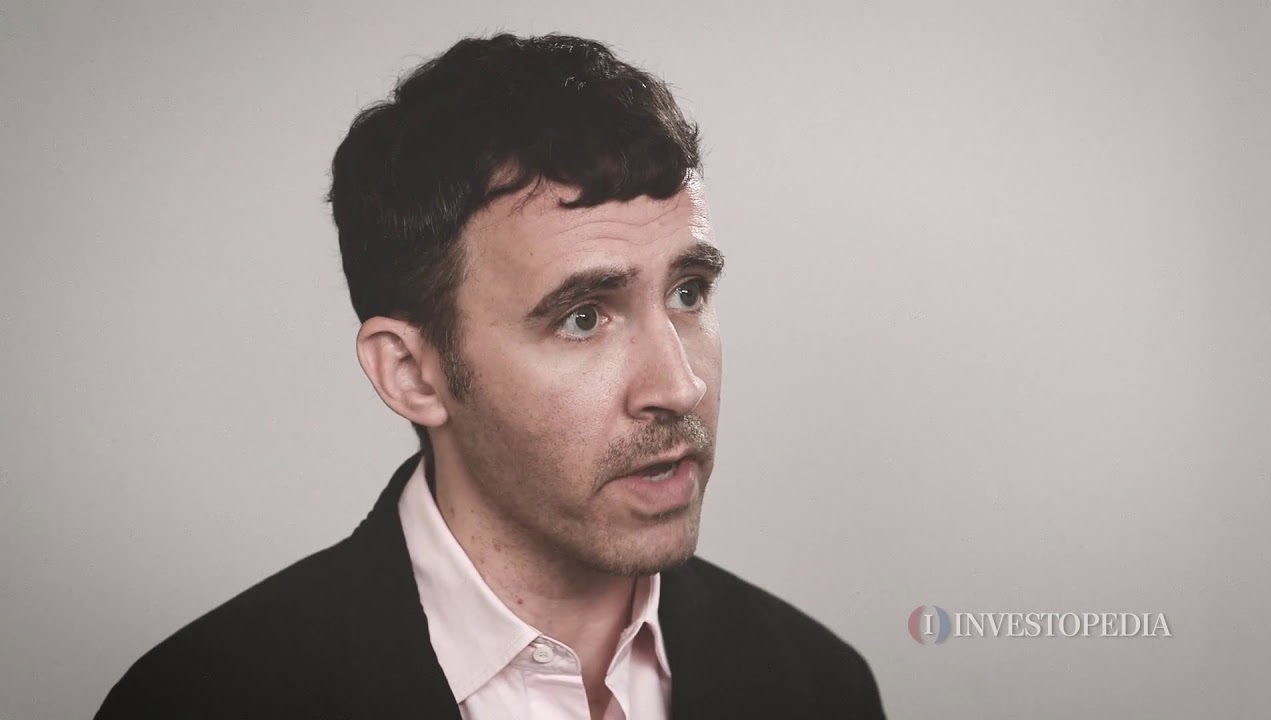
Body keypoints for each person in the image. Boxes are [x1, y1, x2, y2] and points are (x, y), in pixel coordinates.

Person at [94, 32, 885, 720]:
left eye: (688, 293)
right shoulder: (204, 700)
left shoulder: (817, 687)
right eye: (583, 316)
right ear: (411, 374)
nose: (680, 388)